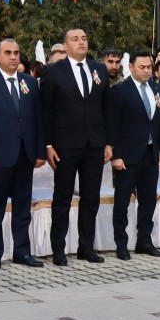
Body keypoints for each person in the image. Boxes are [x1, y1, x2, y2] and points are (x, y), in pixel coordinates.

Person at [0, 38, 46, 269]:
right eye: (8, 53)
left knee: (23, 208)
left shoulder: (30, 83)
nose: (13, 57)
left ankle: (22, 252)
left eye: (16, 53)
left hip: (24, 156)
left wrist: (39, 151)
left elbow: (37, 120)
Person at [40, 28, 111, 265]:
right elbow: (46, 111)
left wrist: (108, 142)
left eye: (84, 38)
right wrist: (48, 144)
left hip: (94, 144)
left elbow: (105, 107)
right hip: (65, 145)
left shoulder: (99, 69)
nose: (81, 42)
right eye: (75, 39)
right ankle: (58, 250)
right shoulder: (52, 71)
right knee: (62, 198)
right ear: (65, 45)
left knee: (91, 198)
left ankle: (86, 247)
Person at [105, 50, 160, 260]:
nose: (147, 71)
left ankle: (145, 241)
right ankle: (121, 244)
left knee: (148, 199)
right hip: (127, 156)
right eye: (142, 67)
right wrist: (116, 154)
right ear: (131, 67)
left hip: (151, 153)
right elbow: (113, 125)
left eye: (149, 67)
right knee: (122, 201)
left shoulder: (158, 89)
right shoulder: (120, 91)